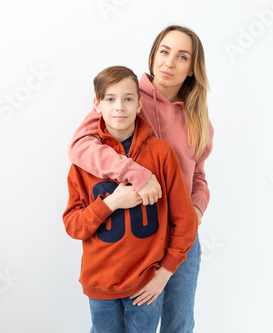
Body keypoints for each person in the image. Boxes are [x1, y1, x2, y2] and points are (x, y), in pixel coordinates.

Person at [68, 25, 213, 332]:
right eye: (164, 51)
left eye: (182, 57)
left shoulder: (198, 119)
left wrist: (196, 210)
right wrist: (135, 173)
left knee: (179, 323)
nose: (169, 62)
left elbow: (198, 174)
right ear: (153, 54)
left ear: (191, 68)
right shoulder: (127, 95)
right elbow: (80, 146)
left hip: (179, 233)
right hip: (137, 232)